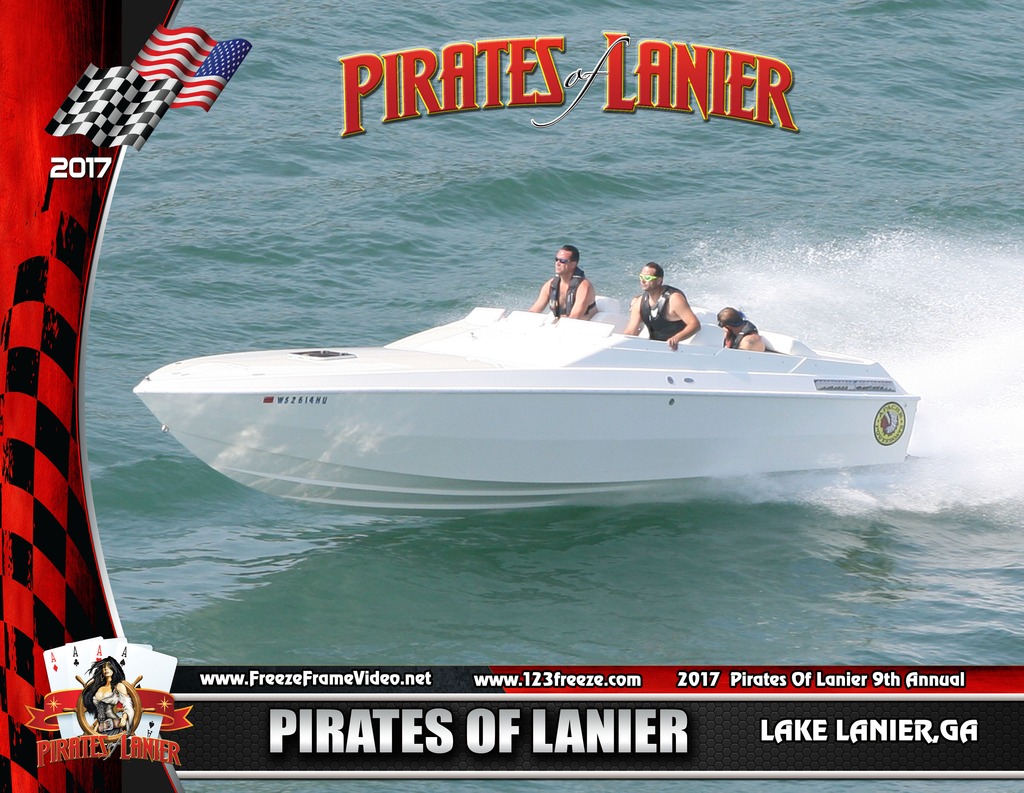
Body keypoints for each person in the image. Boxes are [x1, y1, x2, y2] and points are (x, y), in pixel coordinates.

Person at [623, 262, 701, 350]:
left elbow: (695, 324)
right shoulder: (640, 302)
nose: (643, 281)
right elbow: (631, 331)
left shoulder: (674, 299)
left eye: (647, 278)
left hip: (678, 348)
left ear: (659, 280)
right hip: (656, 348)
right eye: (641, 277)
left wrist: (677, 338)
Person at [528, 245, 597, 320]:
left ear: (573, 264)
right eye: (556, 259)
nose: (557, 263)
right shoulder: (550, 285)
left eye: (563, 261)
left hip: (587, 323)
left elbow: (575, 317)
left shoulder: (583, 287)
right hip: (563, 322)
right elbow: (535, 310)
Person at [81, 656, 135, 736]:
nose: (106, 669)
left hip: (115, 726)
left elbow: (128, 705)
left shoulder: (119, 686)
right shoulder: (99, 687)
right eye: (104, 667)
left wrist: (124, 717)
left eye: (109, 666)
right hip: (100, 728)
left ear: (114, 668)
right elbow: (99, 713)